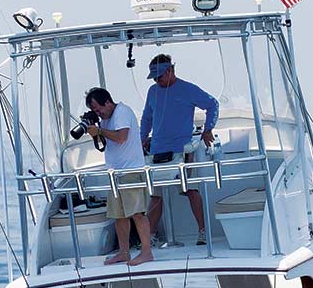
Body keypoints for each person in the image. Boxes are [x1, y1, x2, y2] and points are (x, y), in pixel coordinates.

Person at [140, 54, 220, 246]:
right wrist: (142, 138)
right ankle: (150, 237)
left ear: (170, 71)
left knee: (191, 190)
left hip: (182, 149)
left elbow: (212, 104)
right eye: (154, 77)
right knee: (156, 195)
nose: (157, 80)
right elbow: (147, 118)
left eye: (159, 76)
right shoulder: (152, 91)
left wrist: (208, 129)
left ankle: (202, 232)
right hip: (158, 151)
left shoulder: (187, 89)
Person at [84, 87, 154, 265]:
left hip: (131, 171)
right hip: (116, 173)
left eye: (99, 109)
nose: (98, 113)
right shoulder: (105, 119)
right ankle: (124, 252)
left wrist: (99, 131)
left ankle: (146, 252)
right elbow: (106, 142)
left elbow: (122, 137)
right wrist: (95, 128)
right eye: (95, 112)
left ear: (107, 101)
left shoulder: (122, 111)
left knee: (137, 213)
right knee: (119, 215)